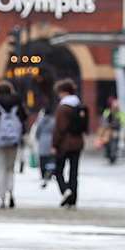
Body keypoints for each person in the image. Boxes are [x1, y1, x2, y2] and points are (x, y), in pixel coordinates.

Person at [0, 81, 28, 209]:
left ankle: (2, 198)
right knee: (10, 169)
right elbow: (24, 119)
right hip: (13, 141)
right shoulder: (17, 103)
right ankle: (11, 193)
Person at [51, 79, 87, 208]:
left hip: (65, 144)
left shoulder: (63, 108)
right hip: (78, 143)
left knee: (58, 170)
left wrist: (54, 145)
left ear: (64, 92)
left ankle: (65, 190)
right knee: (74, 172)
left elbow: (59, 128)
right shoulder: (79, 105)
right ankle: (73, 199)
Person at [32, 104, 56, 191]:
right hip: (51, 140)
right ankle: (49, 173)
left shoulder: (41, 121)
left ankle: (43, 173)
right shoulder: (54, 121)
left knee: (42, 158)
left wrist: (38, 138)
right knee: (50, 159)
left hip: (42, 139)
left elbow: (37, 131)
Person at [100, 96, 125, 165]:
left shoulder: (119, 113)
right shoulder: (107, 112)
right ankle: (108, 154)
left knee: (114, 143)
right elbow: (103, 121)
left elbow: (123, 122)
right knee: (107, 143)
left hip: (115, 131)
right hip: (108, 131)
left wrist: (116, 124)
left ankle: (113, 156)